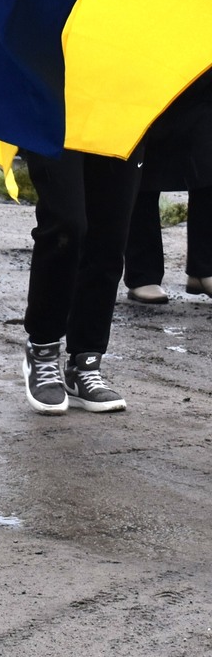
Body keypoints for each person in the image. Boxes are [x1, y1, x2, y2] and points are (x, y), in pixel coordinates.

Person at [20, 150, 138, 414]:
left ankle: (85, 362)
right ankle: (43, 349)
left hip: (122, 116)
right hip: (59, 116)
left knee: (110, 233)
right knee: (65, 224)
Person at [122, 71, 212, 304]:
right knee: (145, 168)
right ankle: (143, 272)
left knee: (208, 159)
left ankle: (204, 267)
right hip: (147, 72)